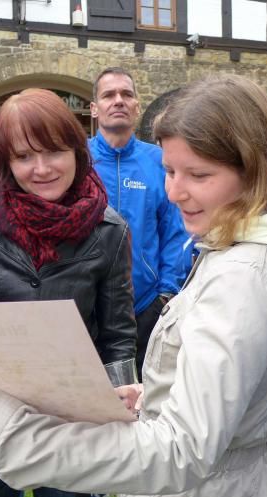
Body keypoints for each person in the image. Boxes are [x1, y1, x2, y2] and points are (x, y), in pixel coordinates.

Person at [0, 74, 267, 497]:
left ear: (253, 168)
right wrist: (155, 395)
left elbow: (182, 447)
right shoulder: (238, 251)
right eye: (170, 172)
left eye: (198, 175)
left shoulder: (243, 277)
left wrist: (8, 436)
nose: (173, 192)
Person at [0, 88, 136, 497]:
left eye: (54, 151)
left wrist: (118, 410)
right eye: (24, 156)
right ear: (6, 163)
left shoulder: (109, 229)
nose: (42, 169)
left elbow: (117, 335)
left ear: (77, 150)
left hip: (70, 420)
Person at [88, 67, 187, 379]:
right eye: (109, 95)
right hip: (88, 304)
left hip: (146, 306)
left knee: (146, 394)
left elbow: (175, 229)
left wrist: (166, 292)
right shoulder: (78, 160)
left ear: (136, 106)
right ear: (94, 108)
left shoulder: (159, 161)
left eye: (126, 94)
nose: (118, 100)